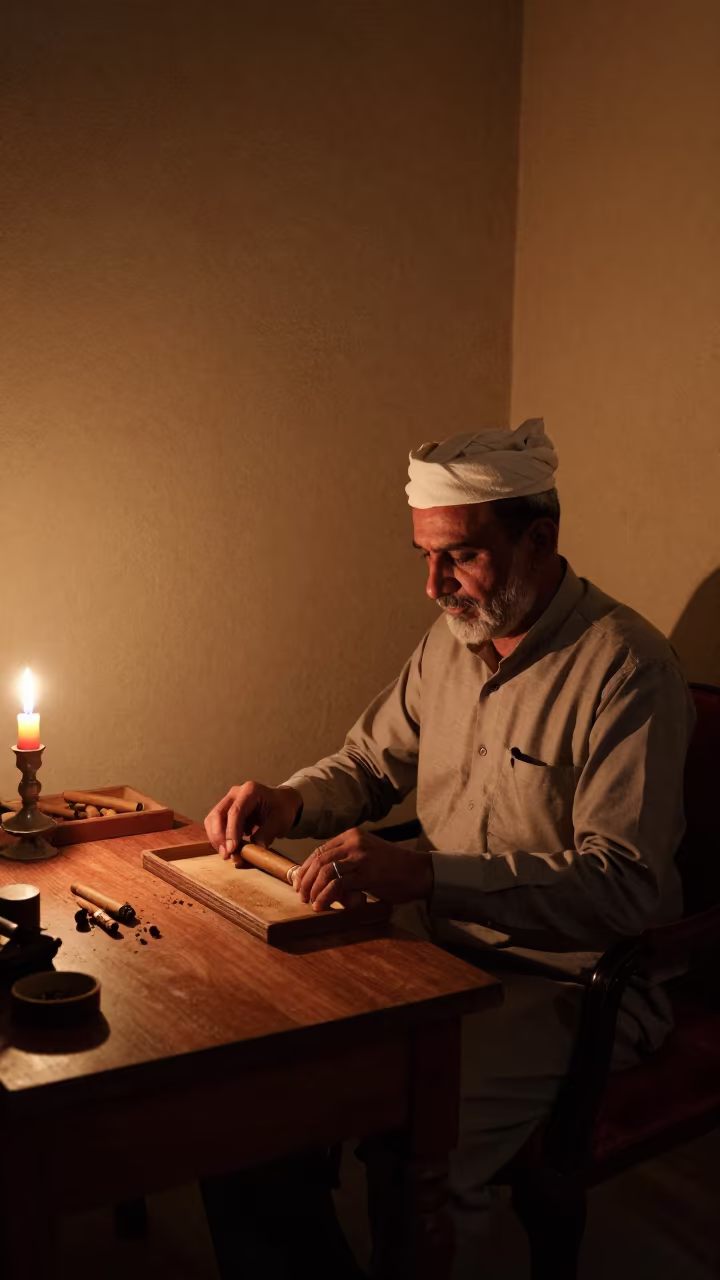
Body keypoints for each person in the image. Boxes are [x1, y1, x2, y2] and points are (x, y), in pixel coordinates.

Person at [203, 419, 694, 1276]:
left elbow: (623, 891)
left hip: (572, 985)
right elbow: (367, 761)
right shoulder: (453, 639)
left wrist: (428, 875)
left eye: (460, 557)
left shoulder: (628, 670)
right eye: (425, 556)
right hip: (437, 957)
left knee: (419, 1138)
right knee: (252, 1096)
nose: (433, 585)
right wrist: (287, 800)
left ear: (540, 539)